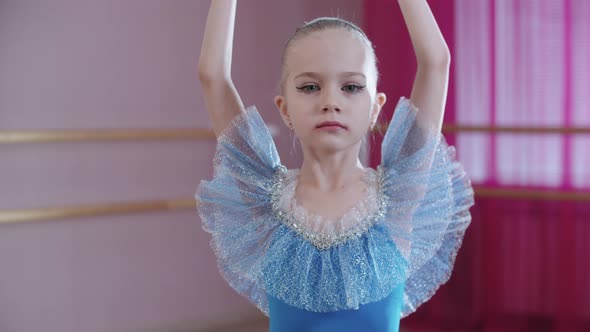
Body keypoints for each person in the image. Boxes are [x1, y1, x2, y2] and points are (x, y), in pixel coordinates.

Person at [195, 0, 474, 331]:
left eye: (352, 87)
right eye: (310, 87)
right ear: (285, 109)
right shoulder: (264, 200)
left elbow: (436, 62)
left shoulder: (400, 195)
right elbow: (212, 75)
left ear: (375, 108)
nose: (331, 102)